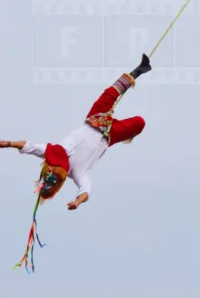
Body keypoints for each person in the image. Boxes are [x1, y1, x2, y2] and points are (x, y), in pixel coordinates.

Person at [2, 55, 151, 270]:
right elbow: (86, 191)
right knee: (139, 122)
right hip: (108, 135)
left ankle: (139, 69)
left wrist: (6, 143)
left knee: (111, 93)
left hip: (95, 118)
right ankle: (129, 130)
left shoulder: (51, 152)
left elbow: (28, 145)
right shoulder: (78, 172)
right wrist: (77, 202)